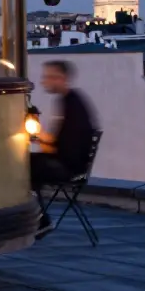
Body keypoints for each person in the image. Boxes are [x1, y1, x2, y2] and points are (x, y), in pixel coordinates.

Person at [31, 60, 98, 237]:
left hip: (69, 168)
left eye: (50, 77)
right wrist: (41, 138)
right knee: (30, 162)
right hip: (70, 163)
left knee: (24, 165)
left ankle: (40, 219)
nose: (45, 81)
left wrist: (39, 138)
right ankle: (38, 217)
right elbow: (61, 143)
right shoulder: (72, 100)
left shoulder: (71, 104)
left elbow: (62, 149)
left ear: (62, 78)